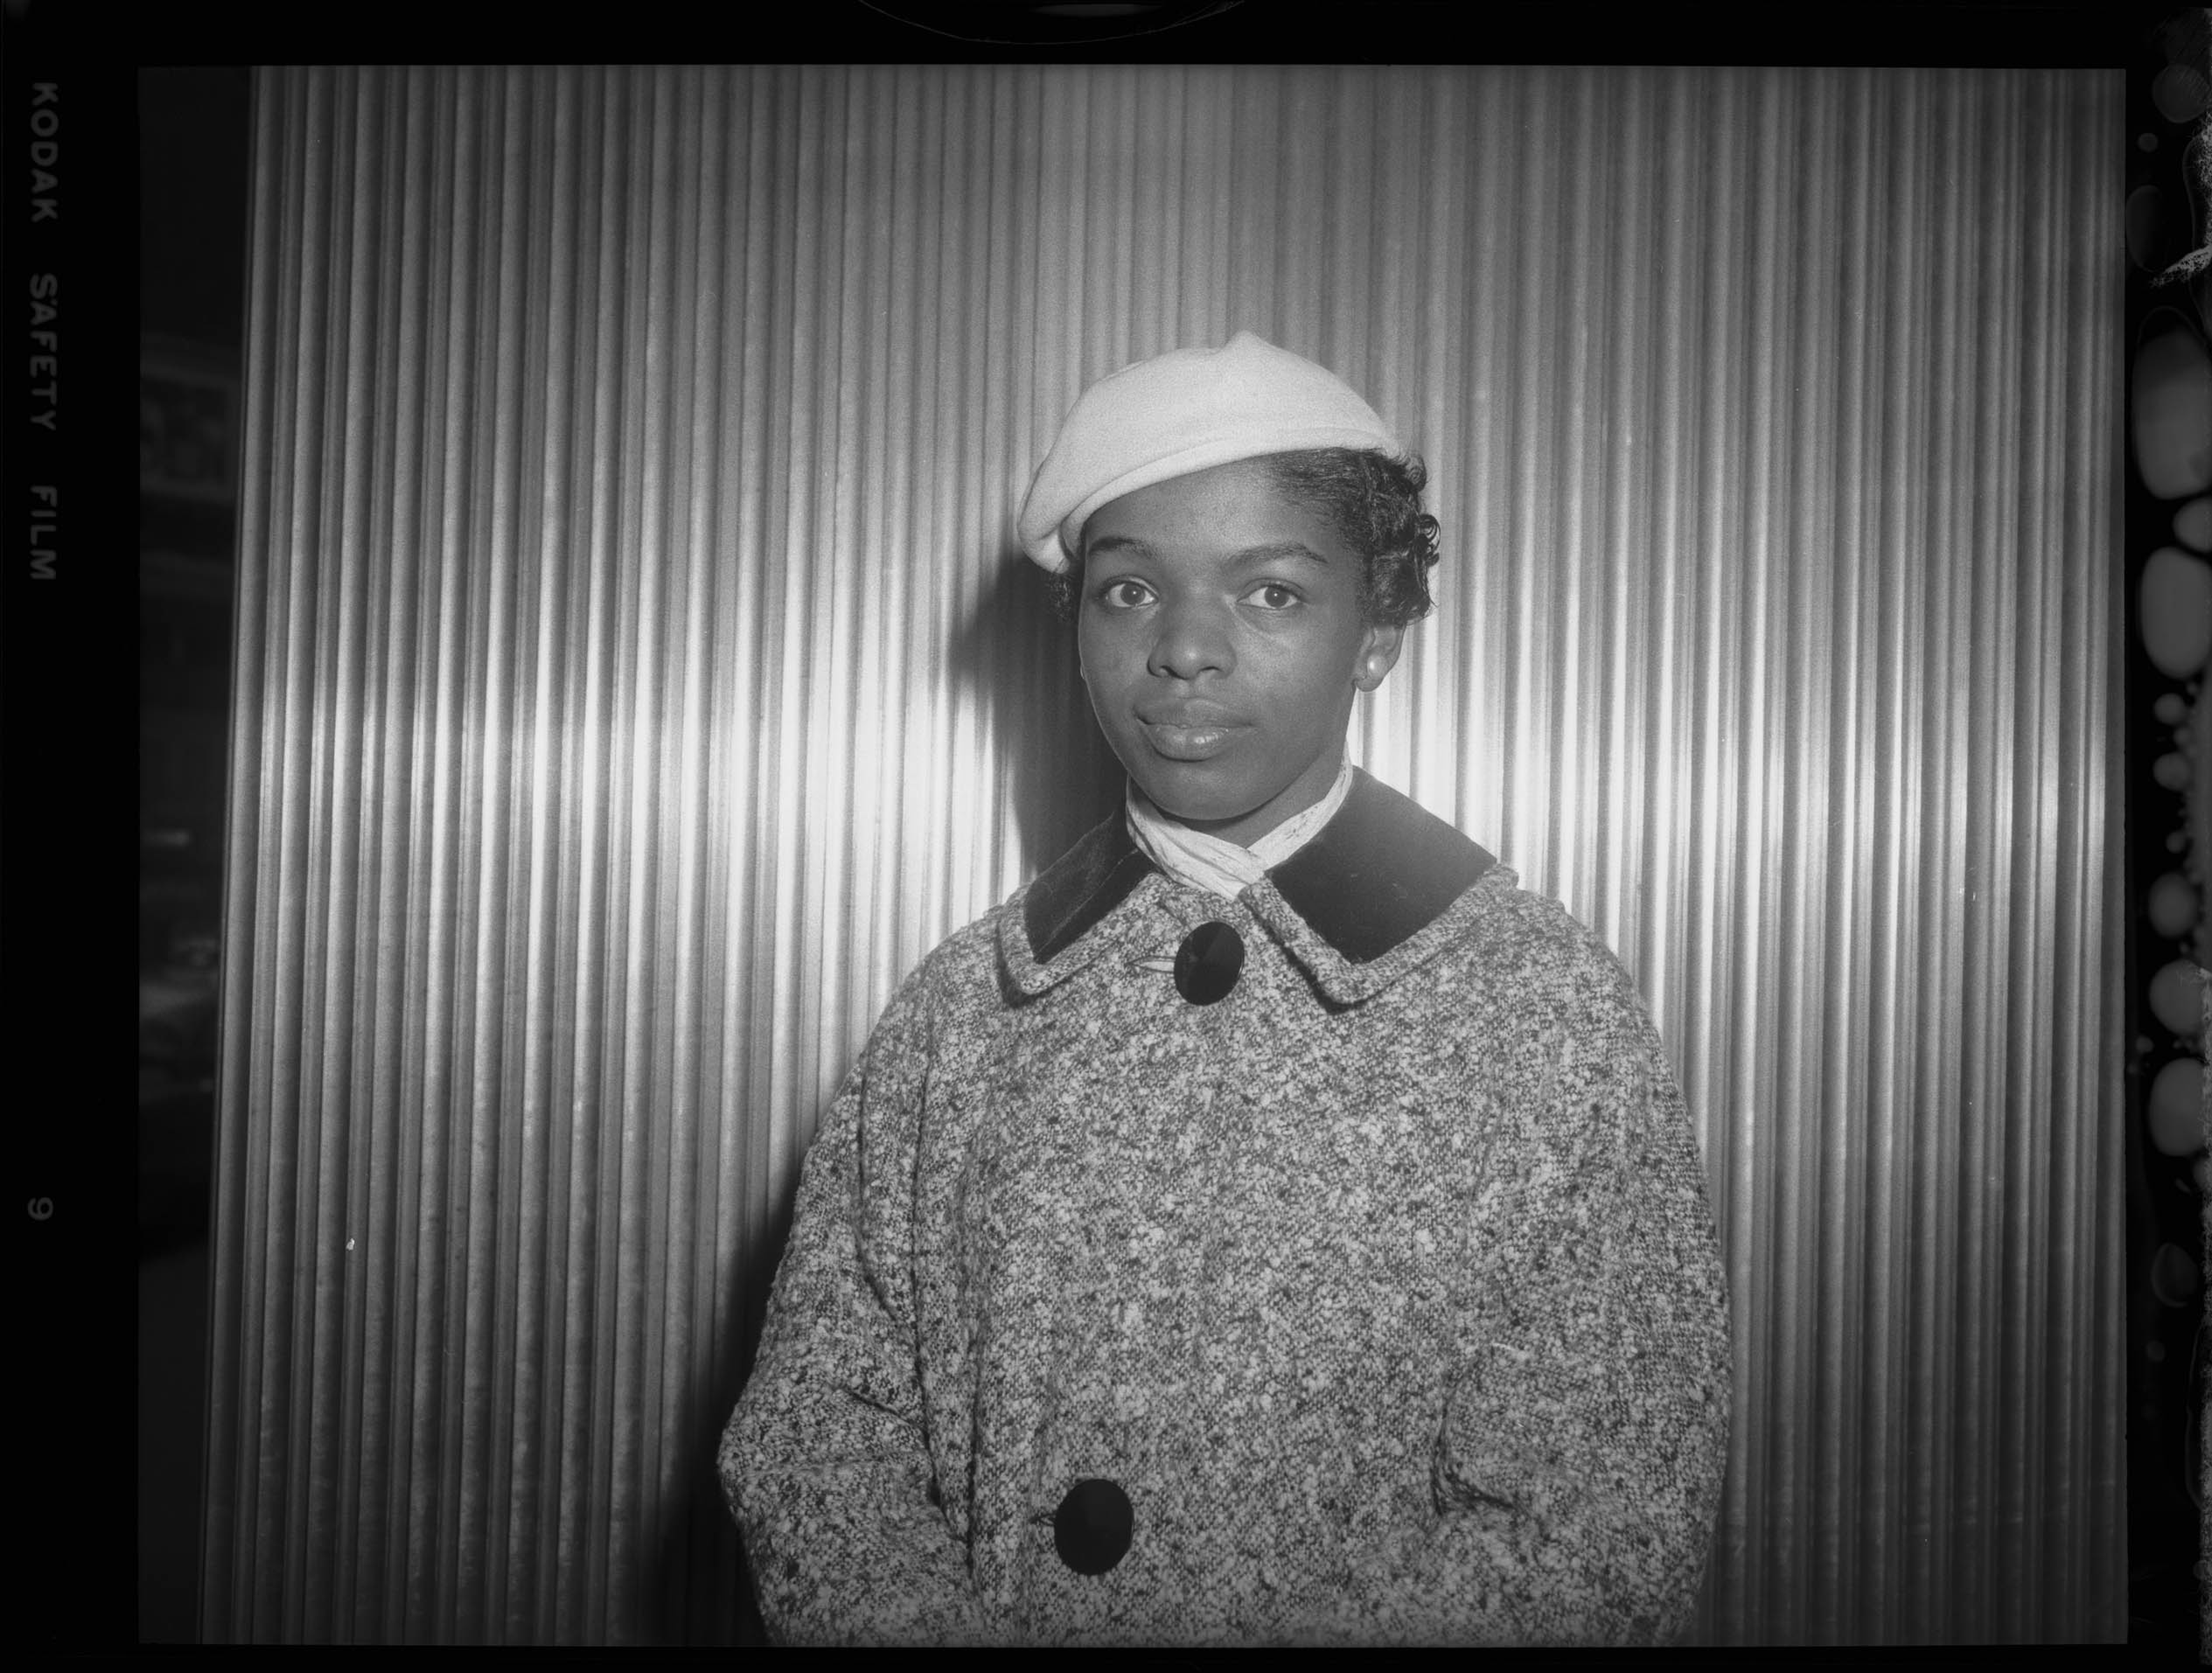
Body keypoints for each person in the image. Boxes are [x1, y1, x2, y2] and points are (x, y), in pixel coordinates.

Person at [719, 332, 1731, 1646]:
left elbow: (1599, 1523)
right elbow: (819, 1435)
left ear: (1378, 631)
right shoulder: (959, 1010)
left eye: (1271, 593)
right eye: (1129, 590)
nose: (1186, 647)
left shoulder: (1541, 1008)